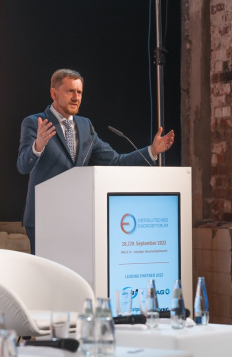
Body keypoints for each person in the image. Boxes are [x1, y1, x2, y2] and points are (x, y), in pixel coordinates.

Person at [17, 68, 175, 254]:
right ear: (54, 93)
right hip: (44, 218)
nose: (76, 97)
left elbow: (115, 161)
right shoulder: (35, 123)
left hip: (76, 220)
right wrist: (38, 146)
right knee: (46, 272)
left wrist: (152, 151)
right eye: (70, 91)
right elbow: (23, 166)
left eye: (79, 92)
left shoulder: (85, 126)